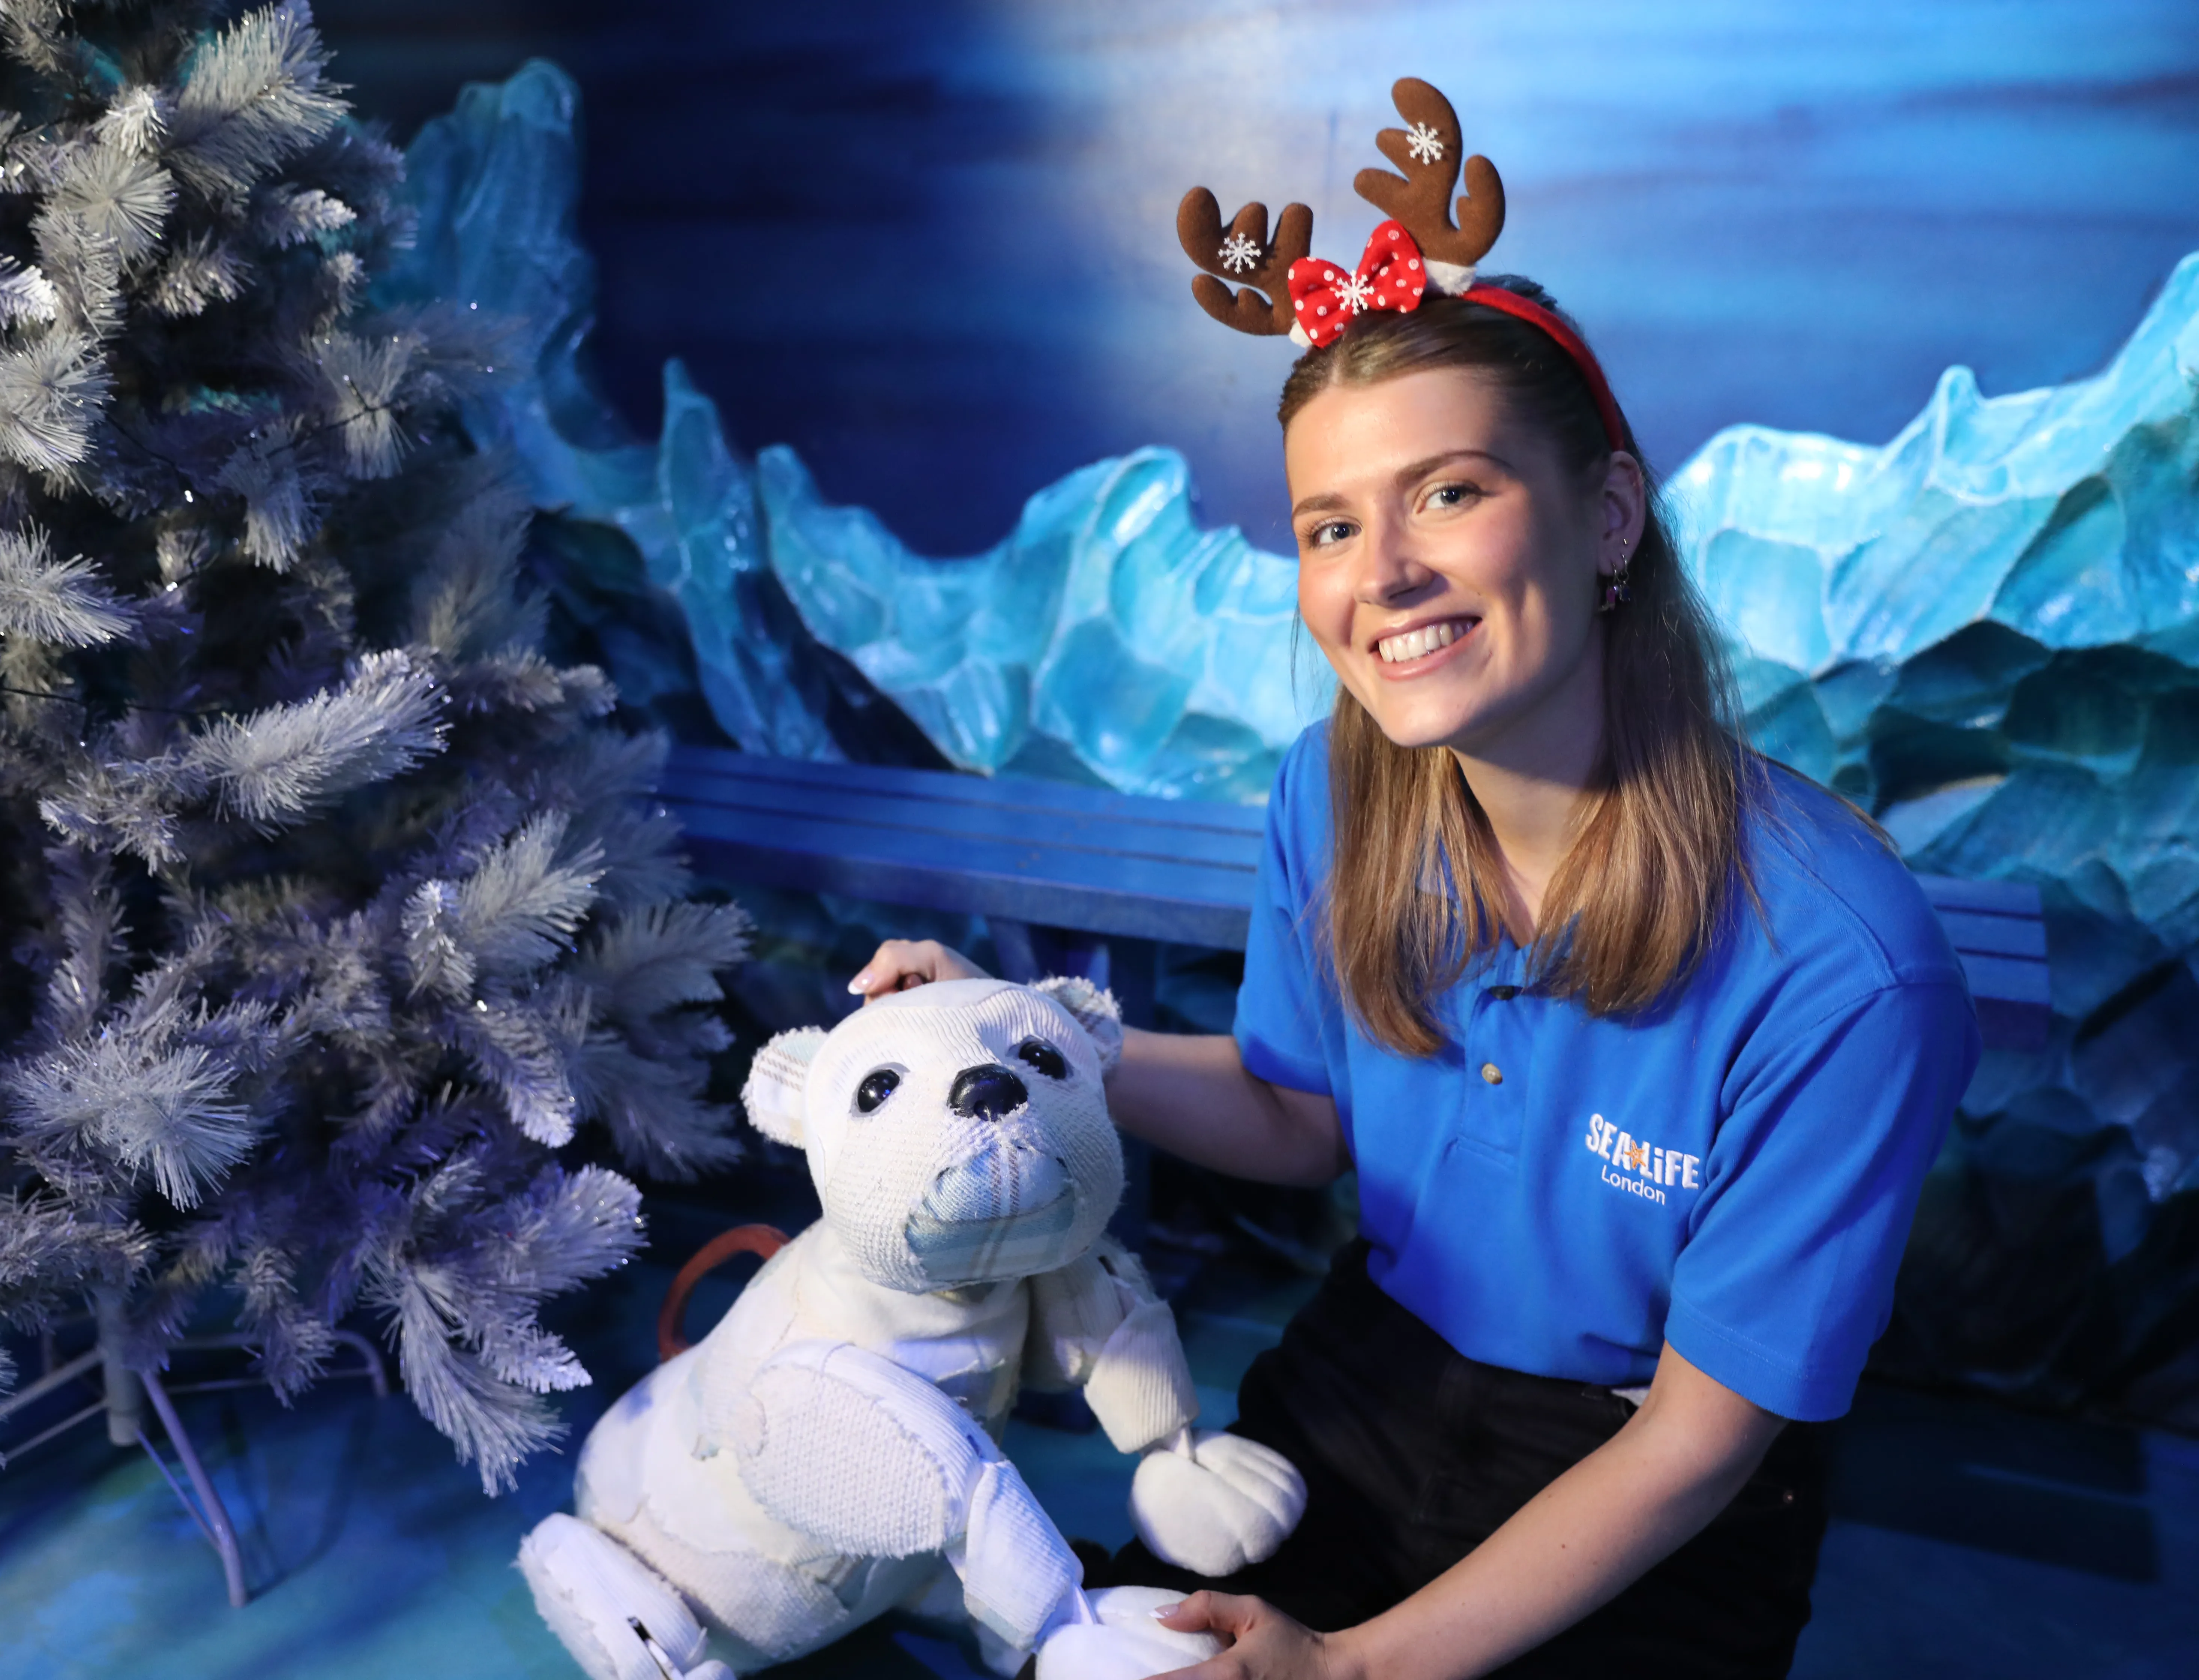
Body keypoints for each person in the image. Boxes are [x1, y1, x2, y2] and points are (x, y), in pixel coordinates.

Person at [845, 82, 1980, 1680]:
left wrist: (1354, 1666)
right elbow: (1295, 1111)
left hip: (1644, 1473)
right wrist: (1025, 1036)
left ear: (1604, 515)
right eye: (1328, 523)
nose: (1381, 576)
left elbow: (1698, 1445)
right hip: (1370, 1377)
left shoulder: (1850, 971)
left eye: (1451, 491)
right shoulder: (1334, 785)